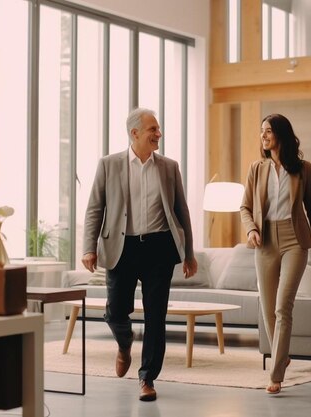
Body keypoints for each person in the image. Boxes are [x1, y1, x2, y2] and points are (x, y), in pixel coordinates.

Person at [81, 107, 198, 402]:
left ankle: (147, 378)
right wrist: (88, 247)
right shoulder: (110, 165)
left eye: (158, 129)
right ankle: (124, 343)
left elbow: (181, 212)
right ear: (134, 133)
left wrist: (189, 253)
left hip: (160, 247)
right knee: (116, 311)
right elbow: (95, 207)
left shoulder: (169, 167)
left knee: (156, 316)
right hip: (123, 248)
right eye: (152, 130)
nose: (158, 134)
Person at [240, 113, 311, 395]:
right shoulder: (257, 168)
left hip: (295, 240)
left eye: (268, 131)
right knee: (268, 309)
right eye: (261, 132)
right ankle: (283, 353)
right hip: (264, 242)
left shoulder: (303, 169)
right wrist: (251, 229)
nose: (263, 136)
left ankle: (276, 373)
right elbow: (244, 207)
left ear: (281, 134)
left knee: (282, 306)